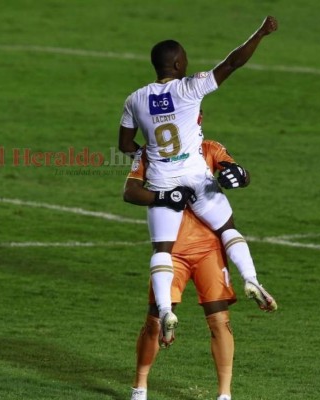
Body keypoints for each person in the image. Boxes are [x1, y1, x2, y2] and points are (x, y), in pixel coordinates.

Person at [119, 16, 278, 347]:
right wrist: (260, 33)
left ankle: (165, 311)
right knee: (227, 228)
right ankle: (251, 279)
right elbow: (232, 62)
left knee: (162, 249)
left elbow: (124, 145)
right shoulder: (189, 87)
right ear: (178, 63)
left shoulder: (134, 99)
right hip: (196, 176)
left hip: (162, 181)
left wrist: (148, 157)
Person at [124, 140, 277, 400]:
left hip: (196, 251)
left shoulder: (209, 148)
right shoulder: (153, 152)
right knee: (159, 322)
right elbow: (131, 191)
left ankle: (223, 394)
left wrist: (240, 175)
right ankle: (141, 388)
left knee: (215, 320)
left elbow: (238, 172)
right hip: (182, 252)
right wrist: (163, 195)